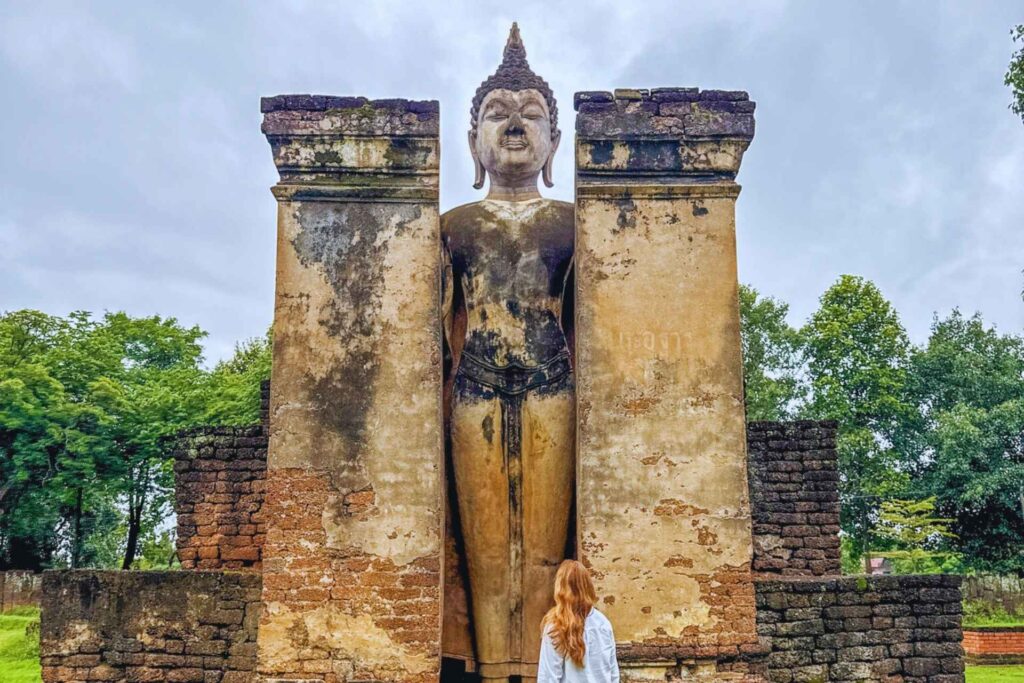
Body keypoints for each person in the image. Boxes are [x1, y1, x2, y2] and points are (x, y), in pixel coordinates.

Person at [537, 560, 620, 683]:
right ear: (588, 586)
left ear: (560, 587)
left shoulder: (556, 626)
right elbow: (613, 674)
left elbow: (548, 678)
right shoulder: (603, 623)